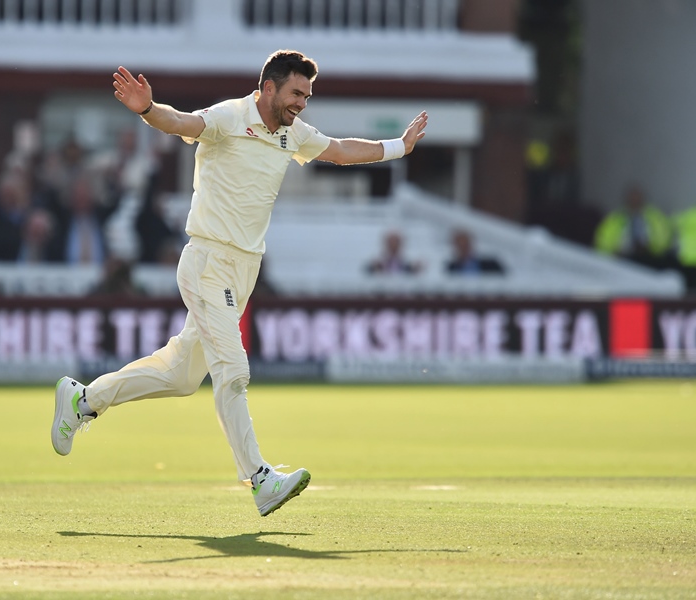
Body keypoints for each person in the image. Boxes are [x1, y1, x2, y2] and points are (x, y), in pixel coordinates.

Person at [50, 50, 428, 516]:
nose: (302, 104)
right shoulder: (231, 116)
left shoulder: (291, 133)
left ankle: (83, 399)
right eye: (295, 93)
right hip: (209, 260)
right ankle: (261, 479)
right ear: (268, 87)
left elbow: (341, 150)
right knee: (234, 371)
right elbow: (182, 123)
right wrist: (148, 110)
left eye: (307, 96)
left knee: (179, 375)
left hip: (242, 270)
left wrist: (399, 147)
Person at [594, 184, 672, 269]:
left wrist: (651, 248)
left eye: (637, 199)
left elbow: (664, 240)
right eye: (632, 199)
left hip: (648, 258)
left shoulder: (655, 217)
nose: (635, 202)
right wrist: (612, 253)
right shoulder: (614, 219)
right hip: (621, 258)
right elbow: (602, 241)